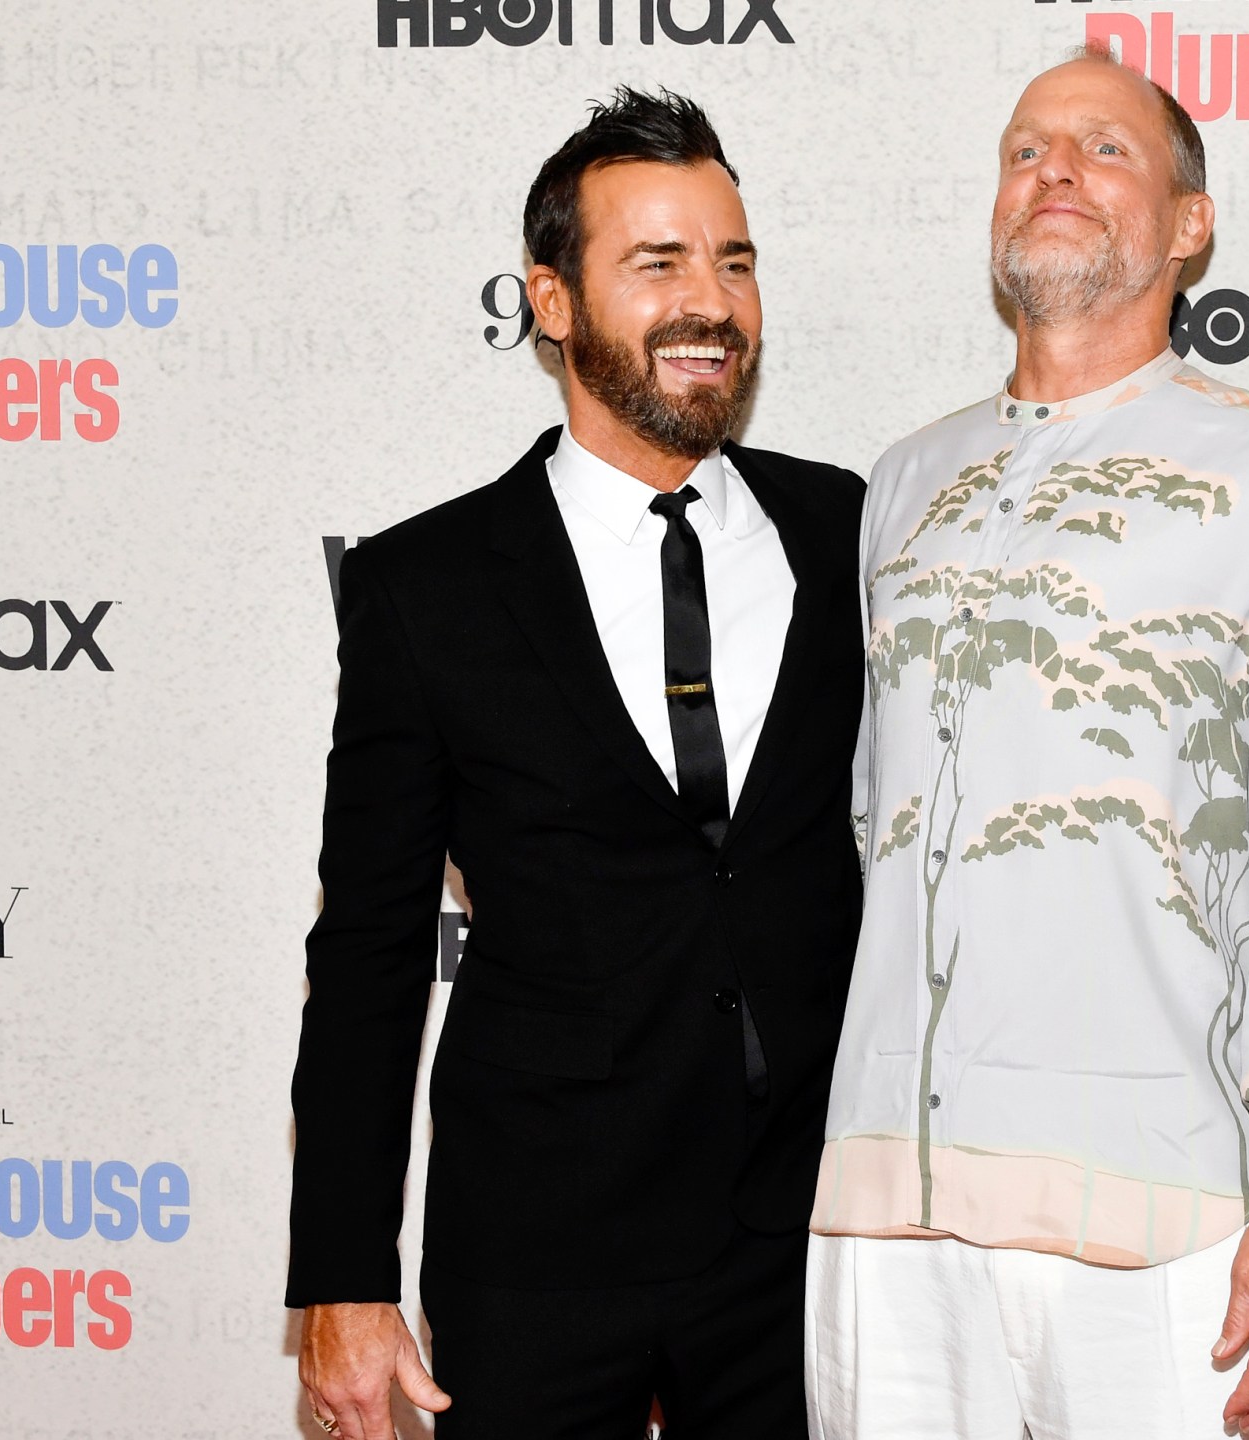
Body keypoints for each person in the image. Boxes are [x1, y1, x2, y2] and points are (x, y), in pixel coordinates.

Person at [807, 48, 1249, 1440]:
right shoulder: (904, 479)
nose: (1055, 170)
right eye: (1026, 150)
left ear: (1190, 225)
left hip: (1173, 1219)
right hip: (881, 1216)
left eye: (1104, 147)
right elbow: (866, 824)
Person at [286, 87, 864, 1440]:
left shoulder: (850, 529)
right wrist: (340, 1279)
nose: (710, 302)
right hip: (537, 1244)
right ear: (551, 301)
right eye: (656, 263)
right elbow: (370, 945)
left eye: (733, 260)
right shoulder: (426, 585)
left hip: (808, 1236)